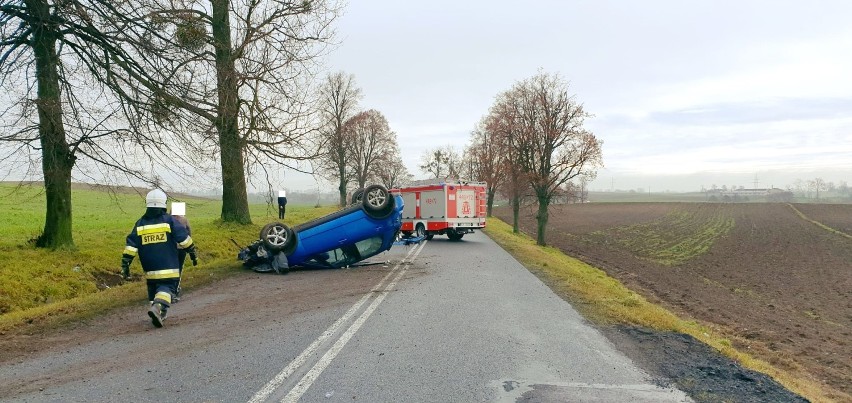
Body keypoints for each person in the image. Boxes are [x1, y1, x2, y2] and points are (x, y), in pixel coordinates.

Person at [121, 189, 197, 328]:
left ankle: (158, 313)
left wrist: (126, 264)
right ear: (163, 204)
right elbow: (183, 238)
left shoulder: (140, 223)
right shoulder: (169, 220)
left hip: (149, 267)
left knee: (154, 289)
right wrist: (192, 252)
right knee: (167, 288)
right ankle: (157, 307)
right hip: (168, 264)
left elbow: (131, 246)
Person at [170, 202, 196, 301]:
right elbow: (189, 233)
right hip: (182, 248)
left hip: (170, 249)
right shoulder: (184, 220)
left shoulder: (168, 220)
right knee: (179, 269)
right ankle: (175, 290)